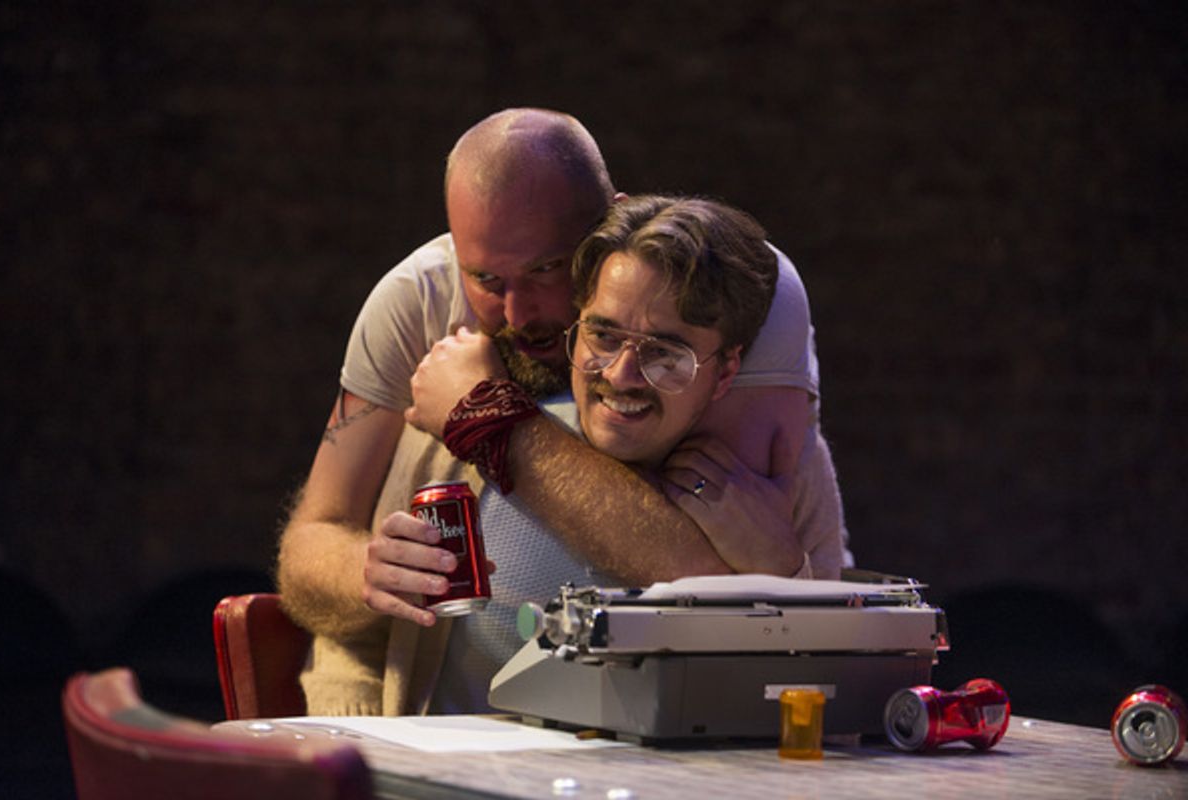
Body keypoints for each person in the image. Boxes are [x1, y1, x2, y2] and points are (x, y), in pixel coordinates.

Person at [276, 109, 851, 714]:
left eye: (548, 268)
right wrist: (367, 569)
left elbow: (726, 582)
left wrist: (486, 418)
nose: (519, 313)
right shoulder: (417, 302)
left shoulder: (744, 292)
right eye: (486, 278)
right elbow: (315, 534)